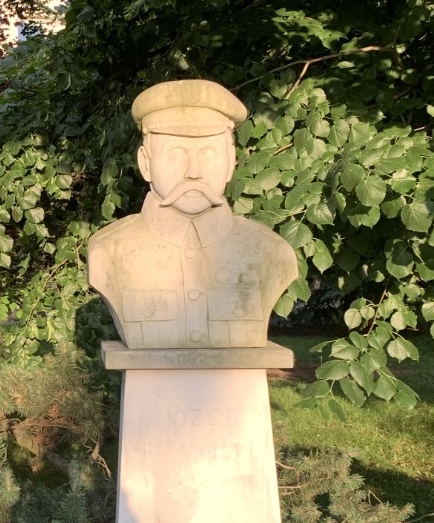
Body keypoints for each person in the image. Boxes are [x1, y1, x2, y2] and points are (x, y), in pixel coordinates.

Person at [87, 79, 299, 349]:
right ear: (145, 164)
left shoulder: (271, 252)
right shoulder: (108, 251)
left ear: (231, 164)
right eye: (176, 154)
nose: (194, 171)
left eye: (209, 153)